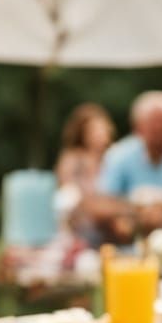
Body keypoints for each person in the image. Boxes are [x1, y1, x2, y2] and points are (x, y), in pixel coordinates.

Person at [89, 90, 162, 239]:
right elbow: (101, 205)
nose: (158, 129)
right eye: (153, 123)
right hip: (128, 243)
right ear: (138, 126)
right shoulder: (119, 156)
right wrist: (138, 211)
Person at [55, 103, 115, 244]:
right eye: (94, 130)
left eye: (102, 129)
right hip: (82, 220)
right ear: (83, 133)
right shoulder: (71, 159)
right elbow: (68, 192)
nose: (100, 135)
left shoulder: (114, 157)